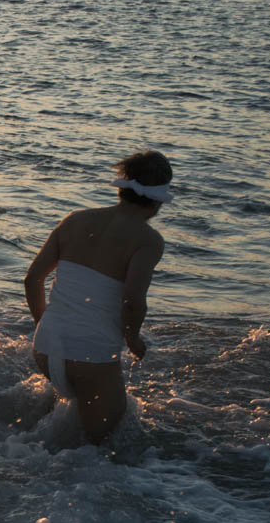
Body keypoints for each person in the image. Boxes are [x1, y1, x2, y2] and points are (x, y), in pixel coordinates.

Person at [23, 150, 173, 443]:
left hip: (45, 346)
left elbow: (32, 279)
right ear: (158, 200)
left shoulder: (74, 221)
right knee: (104, 450)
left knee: (60, 434)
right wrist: (133, 338)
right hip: (91, 356)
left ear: (121, 189)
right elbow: (132, 300)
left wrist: (44, 324)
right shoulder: (148, 240)